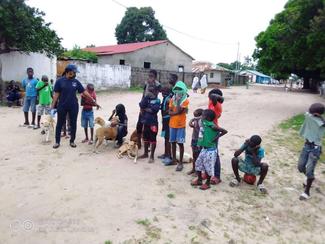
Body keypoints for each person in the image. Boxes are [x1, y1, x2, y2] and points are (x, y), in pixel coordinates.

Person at [51, 64, 99, 149]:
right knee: (59, 123)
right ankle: (57, 142)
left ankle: (72, 141)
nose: (75, 74)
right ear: (69, 72)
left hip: (73, 106)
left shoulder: (76, 82)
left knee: (73, 124)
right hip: (62, 106)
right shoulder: (59, 81)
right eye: (74, 72)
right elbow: (56, 95)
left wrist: (93, 100)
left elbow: (84, 92)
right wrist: (52, 107)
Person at [191, 109, 227, 190]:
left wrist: (216, 138)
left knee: (208, 167)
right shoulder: (204, 123)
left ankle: (207, 183)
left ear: (206, 117)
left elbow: (224, 131)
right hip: (204, 148)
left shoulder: (212, 126)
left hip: (211, 150)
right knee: (198, 163)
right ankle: (199, 180)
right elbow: (198, 118)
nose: (201, 117)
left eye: (203, 115)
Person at [298, 103, 325, 200]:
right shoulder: (309, 117)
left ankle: (307, 192)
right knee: (300, 167)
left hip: (315, 149)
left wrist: (321, 119)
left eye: (313, 113)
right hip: (306, 146)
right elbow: (307, 114)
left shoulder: (321, 124)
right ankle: (310, 178)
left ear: (318, 114)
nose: (311, 114)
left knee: (309, 170)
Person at [136, 70, 161, 149]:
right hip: (144, 103)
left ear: (155, 77)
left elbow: (158, 93)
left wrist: (153, 87)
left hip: (152, 105)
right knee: (139, 124)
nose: (149, 78)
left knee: (150, 125)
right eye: (149, 76)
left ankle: (149, 143)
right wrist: (141, 107)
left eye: (151, 76)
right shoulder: (146, 83)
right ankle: (139, 142)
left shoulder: (157, 85)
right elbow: (143, 94)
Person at [168, 81, 189, 171]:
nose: (178, 91)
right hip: (172, 124)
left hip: (180, 125)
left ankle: (180, 162)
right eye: (176, 89)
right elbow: (169, 111)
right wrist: (175, 112)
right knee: (172, 142)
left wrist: (174, 112)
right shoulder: (172, 99)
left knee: (180, 143)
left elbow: (180, 111)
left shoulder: (185, 100)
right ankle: (174, 159)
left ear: (184, 90)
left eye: (180, 89)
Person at [138, 87, 161, 163]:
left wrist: (145, 108)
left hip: (153, 123)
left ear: (156, 92)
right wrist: (146, 96)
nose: (151, 92)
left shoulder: (157, 101)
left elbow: (153, 110)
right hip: (146, 122)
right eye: (150, 91)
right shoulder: (147, 99)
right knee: (145, 138)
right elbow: (141, 105)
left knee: (153, 139)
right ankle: (145, 153)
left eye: (152, 91)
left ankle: (152, 156)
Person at [208, 89, 224, 185]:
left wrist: (218, 97)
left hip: (214, 131)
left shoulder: (217, 104)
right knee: (206, 152)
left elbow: (214, 97)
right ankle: (208, 172)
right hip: (208, 130)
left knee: (215, 154)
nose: (209, 98)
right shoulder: (211, 102)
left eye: (210, 96)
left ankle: (217, 176)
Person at [158, 85, 173, 165]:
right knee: (165, 138)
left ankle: (169, 156)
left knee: (168, 138)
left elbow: (173, 106)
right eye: (162, 92)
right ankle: (166, 153)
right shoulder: (165, 99)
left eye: (165, 92)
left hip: (168, 120)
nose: (163, 93)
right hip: (164, 120)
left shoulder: (168, 99)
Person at [188, 108, 204, 175]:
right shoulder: (196, 119)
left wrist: (192, 120)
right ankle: (194, 169)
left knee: (198, 156)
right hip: (194, 138)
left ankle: (198, 171)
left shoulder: (201, 121)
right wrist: (192, 120)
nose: (194, 116)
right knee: (194, 155)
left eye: (196, 115)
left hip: (199, 140)